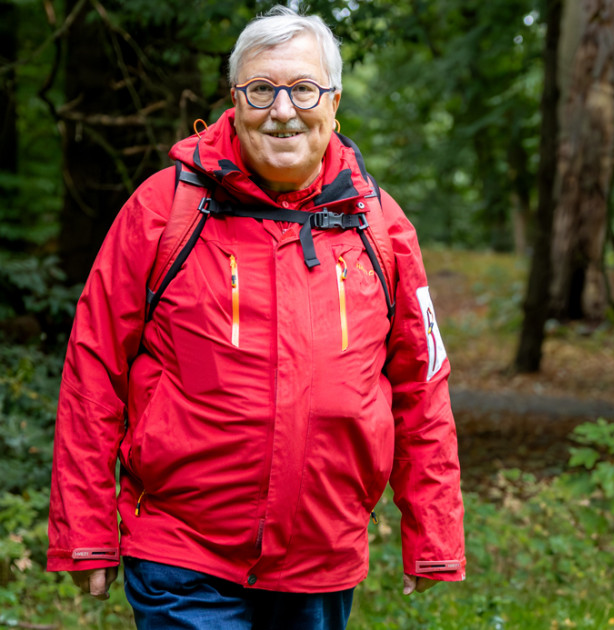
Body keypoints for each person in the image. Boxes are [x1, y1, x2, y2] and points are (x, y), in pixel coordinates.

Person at [45, 6, 465, 628]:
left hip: (322, 556)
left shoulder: (383, 226)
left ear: (334, 100)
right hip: (180, 552)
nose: (283, 109)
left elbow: (421, 387)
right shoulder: (164, 209)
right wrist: (85, 527)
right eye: (262, 89)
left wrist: (434, 534)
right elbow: (94, 366)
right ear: (235, 100)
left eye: (302, 88)